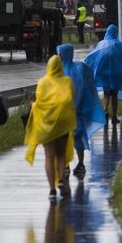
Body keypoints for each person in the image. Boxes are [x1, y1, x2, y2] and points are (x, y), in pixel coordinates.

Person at [24, 55, 77, 202]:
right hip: (63, 123)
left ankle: (52, 190)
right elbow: (72, 96)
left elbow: (40, 102)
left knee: (49, 156)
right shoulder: (67, 81)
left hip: (47, 124)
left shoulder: (42, 83)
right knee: (61, 155)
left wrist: (32, 106)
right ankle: (61, 179)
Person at [57, 44, 106, 179]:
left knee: (72, 138)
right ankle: (74, 163)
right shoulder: (78, 68)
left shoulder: (63, 70)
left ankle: (75, 163)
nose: (58, 56)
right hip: (76, 110)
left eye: (60, 53)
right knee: (74, 138)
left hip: (71, 111)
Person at [84, 23, 122, 125]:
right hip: (115, 72)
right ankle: (114, 116)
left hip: (103, 72)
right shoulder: (118, 44)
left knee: (106, 93)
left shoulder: (101, 43)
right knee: (114, 94)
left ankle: (105, 110)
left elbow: (94, 55)